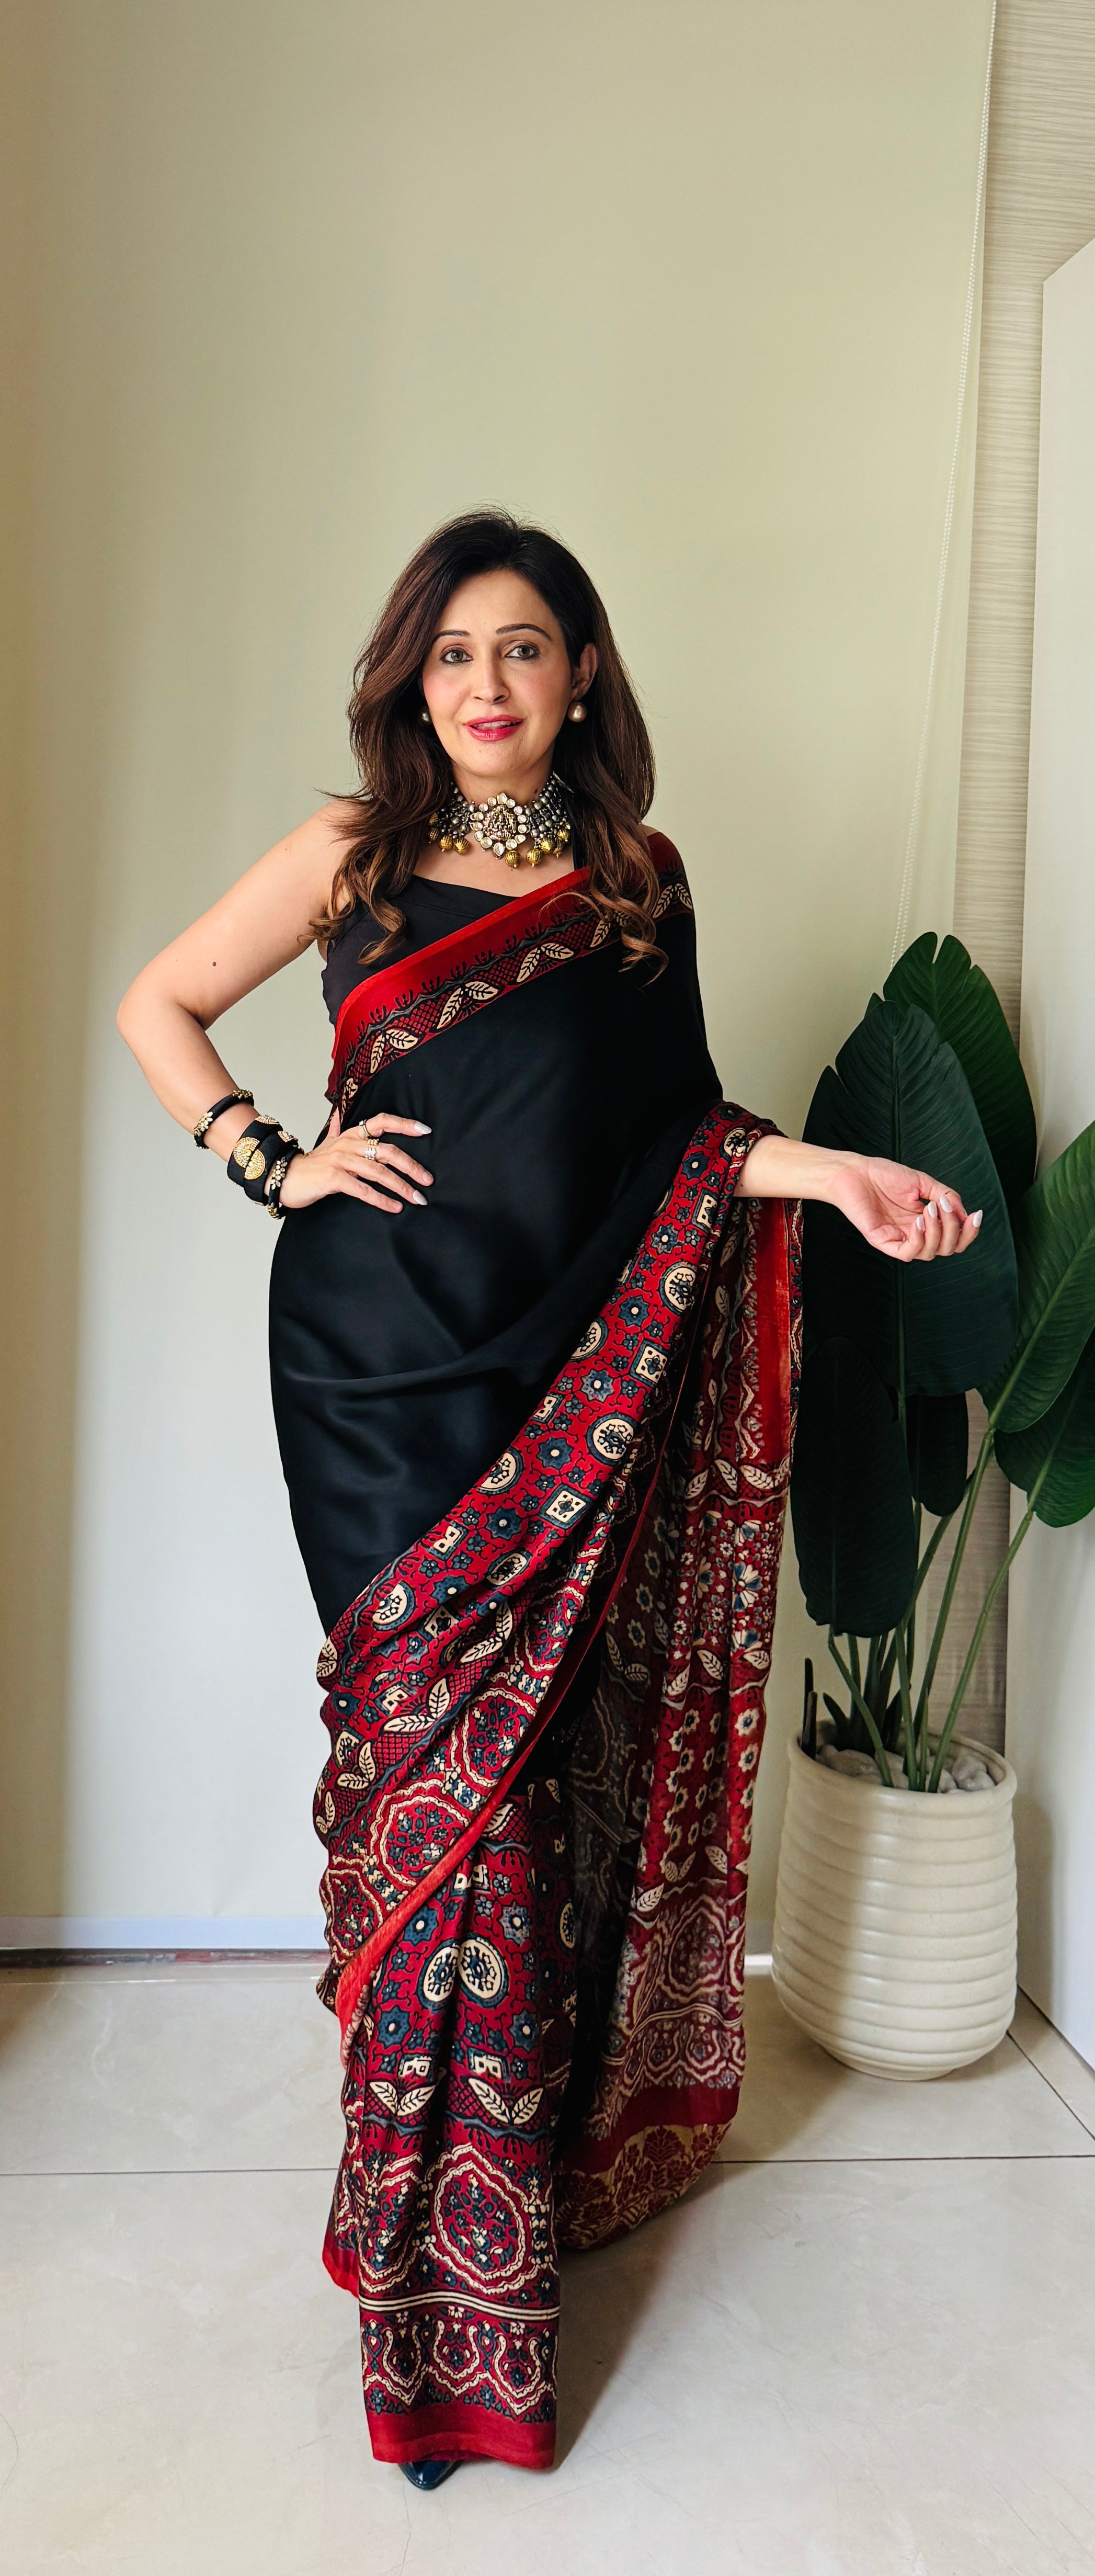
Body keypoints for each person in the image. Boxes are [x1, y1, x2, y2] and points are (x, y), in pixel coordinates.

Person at [117, 510, 979, 2489]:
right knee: (439, 1785)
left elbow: (681, 1141)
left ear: (583, 670)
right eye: (452, 656)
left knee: (527, 1788)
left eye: (524, 648)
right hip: (369, 1374)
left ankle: (491, 2226)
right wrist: (272, 1159)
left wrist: (838, 1176)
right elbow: (162, 1005)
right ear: (413, 683)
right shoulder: (347, 854)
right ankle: (436, 2297)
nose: (487, 685)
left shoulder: (636, 886)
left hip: (558, 1375)